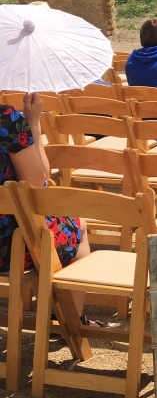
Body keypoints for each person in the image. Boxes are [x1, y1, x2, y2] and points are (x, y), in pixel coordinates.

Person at [0, 94, 90, 316]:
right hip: (9, 247)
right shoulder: (7, 120)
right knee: (78, 227)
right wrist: (33, 123)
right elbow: (38, 181)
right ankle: (70, 322)